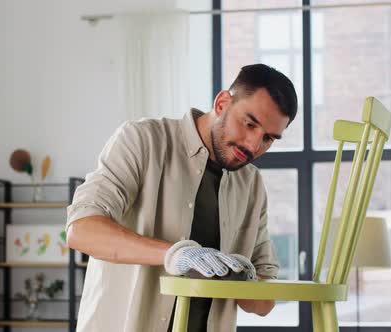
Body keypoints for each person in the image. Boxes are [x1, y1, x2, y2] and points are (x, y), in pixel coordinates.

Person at [66, 63, 298, 332]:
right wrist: (173, 254)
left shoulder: (251, 183)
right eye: (249, 124)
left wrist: (244, 280)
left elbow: (263, 303)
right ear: (222, 103)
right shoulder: (142, 140)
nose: (253, 145)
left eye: (269, 138)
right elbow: (82, 230)